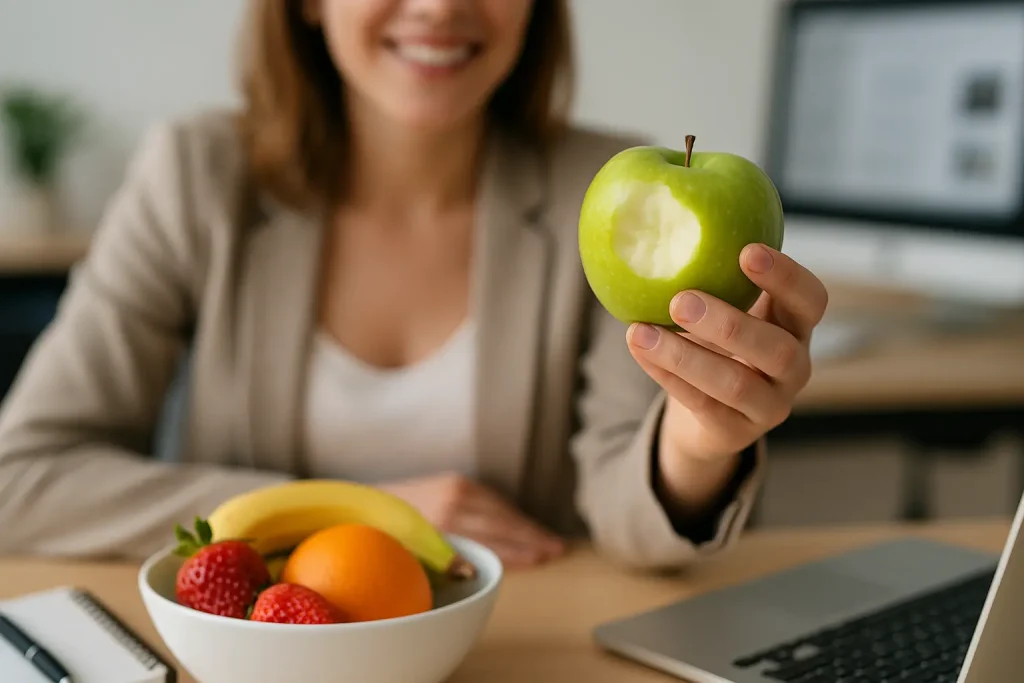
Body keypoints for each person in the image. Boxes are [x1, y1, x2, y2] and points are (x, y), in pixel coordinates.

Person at [0, 0, 827, 571]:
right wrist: (352, 509)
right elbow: (21, 478)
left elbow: (623, 514)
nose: (438, 5)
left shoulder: (600, 191)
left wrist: (694, 438)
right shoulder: (195, 175)